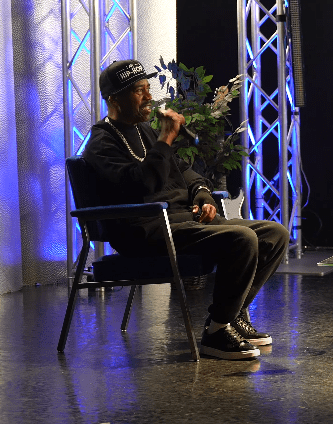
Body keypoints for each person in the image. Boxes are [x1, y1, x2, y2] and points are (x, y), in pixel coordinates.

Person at [82, 60, 290, 360]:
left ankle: (232, 315)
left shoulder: (145, 133)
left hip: (182, 222)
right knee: (243, 238)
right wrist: (167, 138)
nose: (149, 97)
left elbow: (187, 173)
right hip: (146, 229)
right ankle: (217, 333)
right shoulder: (101, 142)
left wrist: (204, 196)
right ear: (114, 98)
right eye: (139, 91)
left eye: (148, 89)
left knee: (275, 234)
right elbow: (143, 185)